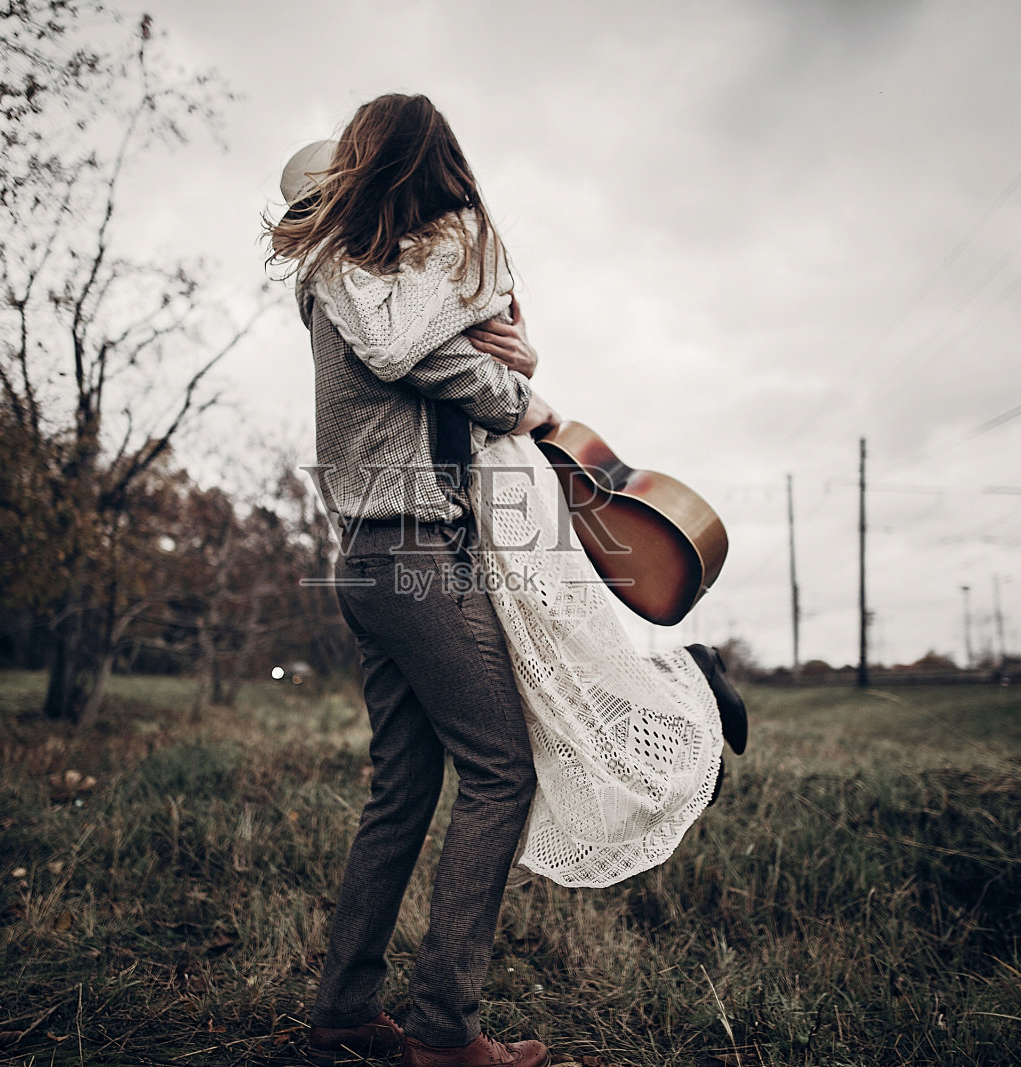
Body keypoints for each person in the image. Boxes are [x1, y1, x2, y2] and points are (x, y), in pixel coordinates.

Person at [266, 93, 745, 1067]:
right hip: (412, 554)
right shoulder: (358, 284)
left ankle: (345, 1009)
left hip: (369, 555)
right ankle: (444, 1030)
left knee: (403, 788)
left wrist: (516, 362)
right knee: (501, 769)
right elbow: (453, 373)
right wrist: (529, 391)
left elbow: (458, 364)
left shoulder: (357, 284)